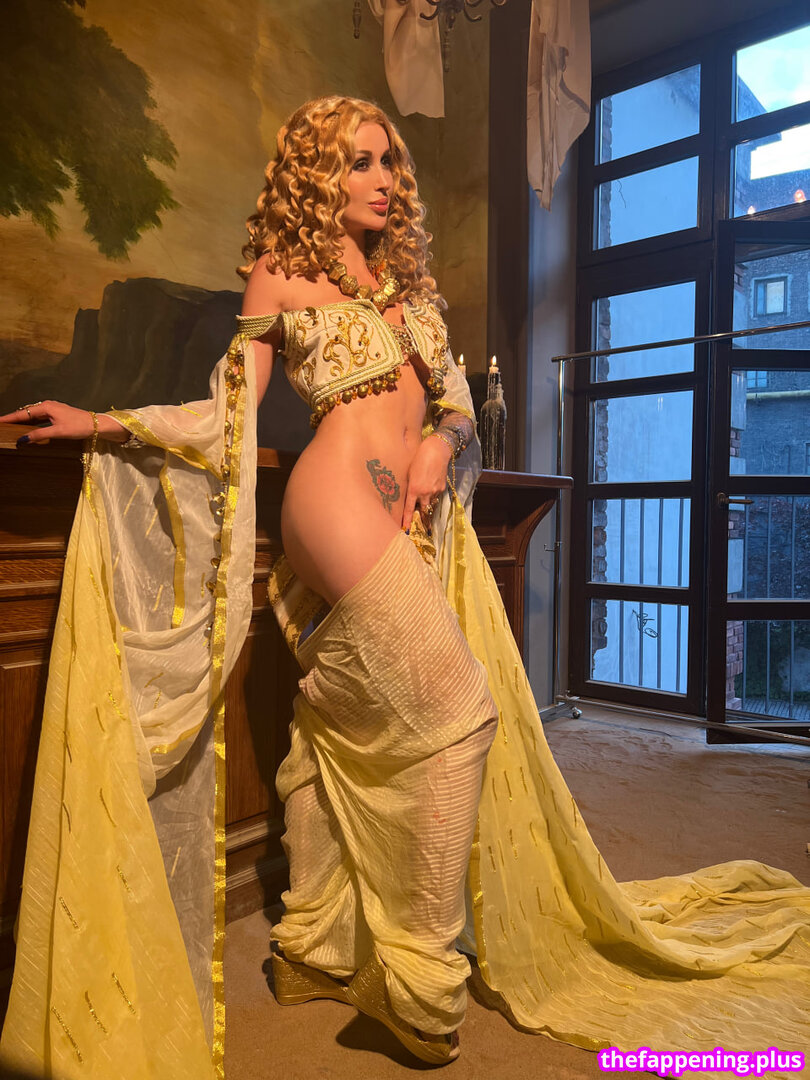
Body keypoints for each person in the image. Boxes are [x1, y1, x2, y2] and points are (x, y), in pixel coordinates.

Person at [1, 96, 809, 1080]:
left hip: (405, 520)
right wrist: (101, 423)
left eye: (389, 161)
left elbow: (459, 409)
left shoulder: (413, 292)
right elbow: (225, 412)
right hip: (333, 502)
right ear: (316, 174)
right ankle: (421, 984)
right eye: (358, 162)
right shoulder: (282, 271)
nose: (382, 179)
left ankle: (310, 945)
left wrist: (439, 441)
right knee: (462, 715)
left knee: (337, 725)